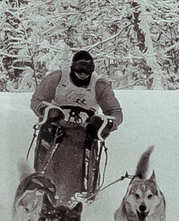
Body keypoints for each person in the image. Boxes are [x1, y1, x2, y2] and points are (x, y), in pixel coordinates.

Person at [30, 50, 123, 197]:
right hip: (55, 128)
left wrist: (104, 125)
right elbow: (36, 100)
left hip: (83, 132)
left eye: (87, 71)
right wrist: (48, 111)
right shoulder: (57, 78)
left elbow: (116, 113)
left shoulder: (99, 85)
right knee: (47, 166)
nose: (83, 74)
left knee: (80, 173)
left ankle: (82, 197)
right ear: (72, 67)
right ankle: (42, 193)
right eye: (79, 69)